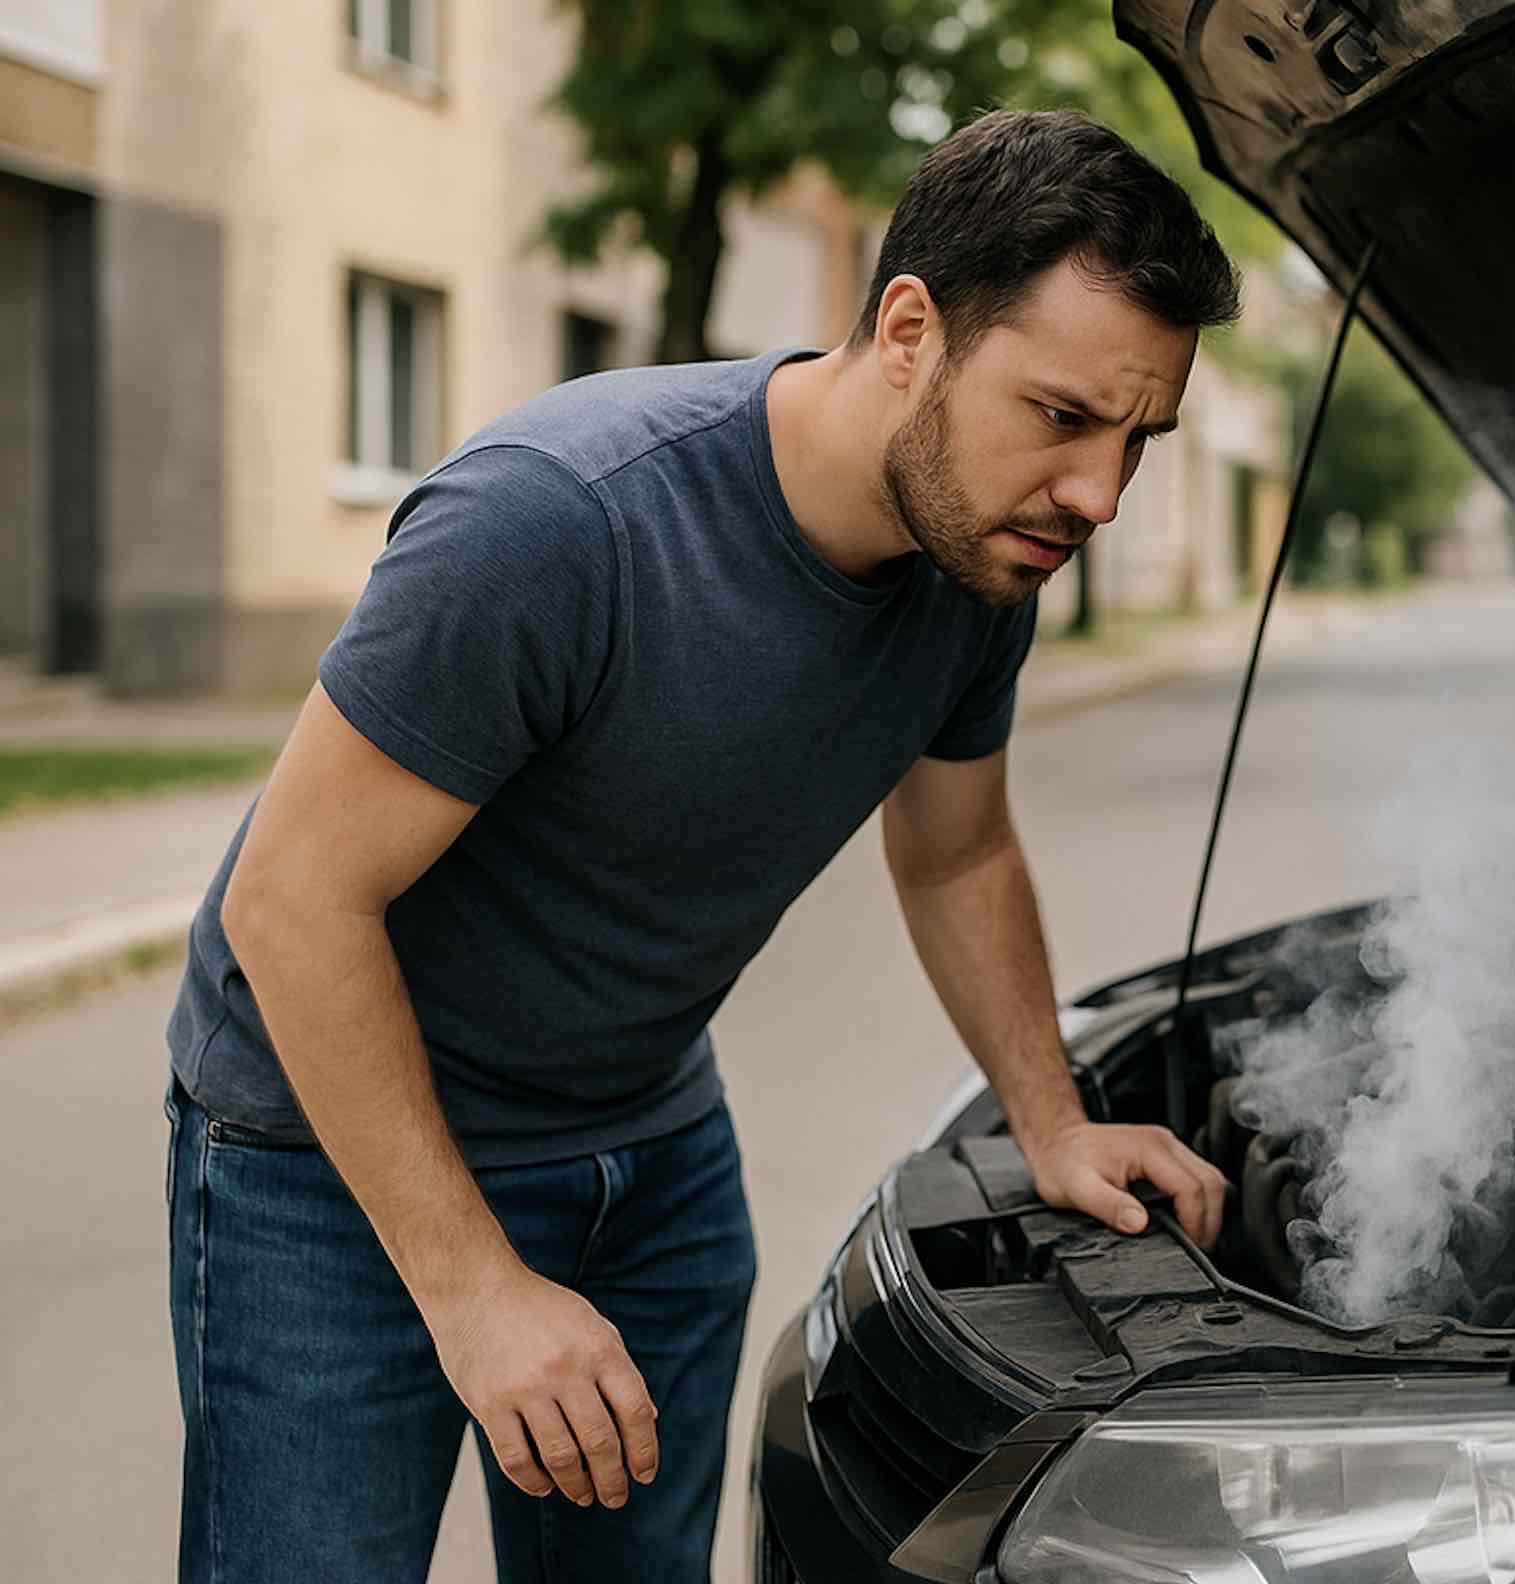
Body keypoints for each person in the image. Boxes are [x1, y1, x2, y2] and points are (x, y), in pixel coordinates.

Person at [162, 108, 1238, 1581]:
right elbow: (293, 900)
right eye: (1063, 417)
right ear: (909, 328)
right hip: (326, 1171)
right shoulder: (559, 522)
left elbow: (957, 852)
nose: (1100, 497)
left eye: (1141, 441)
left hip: (647, 1153)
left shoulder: (980, 563)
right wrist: (475, 1291)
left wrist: (1049, 1120)